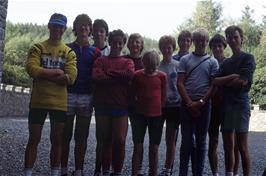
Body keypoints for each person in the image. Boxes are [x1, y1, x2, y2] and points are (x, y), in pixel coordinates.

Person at [24, 13, 77, 176]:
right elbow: (31, 69)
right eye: (55, 25)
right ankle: (27, 173)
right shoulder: (38, 47)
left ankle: (54, 173)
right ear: (49, 26)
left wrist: (43, 73)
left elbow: (71, 77)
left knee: (57, 141)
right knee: (33, 139)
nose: (57, 29)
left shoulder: (69, 52)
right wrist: (56, 72)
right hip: (38, 101)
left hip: (59, 104)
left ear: (64, 29)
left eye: (60, 26)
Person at [60, 14, 101, 176]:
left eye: (86, 25)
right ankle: (63, 169)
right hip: (67, 94)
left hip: (86, 97)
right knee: (65, 135)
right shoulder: (66, 48)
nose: (83, 28)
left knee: (81, 137)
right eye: (80, 25)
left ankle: (78, 170)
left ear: (90, 29)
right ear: (75, 28)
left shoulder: (96, 52)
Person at [213, 25, 256, 176]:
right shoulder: (226, 63)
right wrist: (232, 77)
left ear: (241, 39)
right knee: (227, 146)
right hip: (227, 106)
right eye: (229, 37)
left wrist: (225, 81)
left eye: (235, 37)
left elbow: (243, 82)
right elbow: (215, 81)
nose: (232, 40)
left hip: (241, 105)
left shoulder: (248, 58)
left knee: (242, 146)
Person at [92, 29, 135, 176]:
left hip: (121, 105)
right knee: (105, 140)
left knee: (120, 140)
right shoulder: (100, 60)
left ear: (123, 44)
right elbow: (97, 77)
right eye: (114, 42)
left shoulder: (128, 61)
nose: (117, 45)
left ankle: (117, 172)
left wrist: (108, 73)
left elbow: (129, 75)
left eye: (120, 43)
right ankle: (105, 171)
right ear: (109, 43)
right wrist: (118, 77)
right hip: (102, 105)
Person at [177, 28, 219, 176]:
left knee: (201, 143)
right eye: (198, 40)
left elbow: (214, 85)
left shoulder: (213, 62)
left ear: (207, 42)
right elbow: (180, 83)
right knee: (186, 142)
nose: (201, 42)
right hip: (186, 105)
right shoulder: (184, 60)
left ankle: (198, 173)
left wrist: (200, 102)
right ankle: (182, 172)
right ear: (193, 41)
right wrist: (190, 103)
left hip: (204, 106)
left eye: (204, 40)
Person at [208, 34, 240, 176]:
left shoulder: (231, 62)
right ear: (211, 48)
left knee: (232, 144)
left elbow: (237, 82)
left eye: (220, 46)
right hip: (212, 106)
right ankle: (215, 173)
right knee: (213, 142)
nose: (217, 48)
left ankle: (232, 172)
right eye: (214, 46)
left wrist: (219, 81)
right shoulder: (208, 63)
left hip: (228, 107)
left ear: (224, 46)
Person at [131, 50, 166, 176]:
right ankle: (135, 172)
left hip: (157, 116)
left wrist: (160, 108)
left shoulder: (162, 76)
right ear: (143, 63)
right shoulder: (137, 75)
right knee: (138, 147)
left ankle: (153, 173)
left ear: (157, 64)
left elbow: (163, 96)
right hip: (139, 116)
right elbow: (132, 94)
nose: (150, 69)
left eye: (153, 66)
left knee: (154, 148)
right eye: (148, 65)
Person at [157, 35, 181, 176]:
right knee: (156, 138)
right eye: (164, 47)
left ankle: (167, 168)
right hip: (159, 107)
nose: (167, 49)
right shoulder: (157, 66)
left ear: (173, 48)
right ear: (161, 49)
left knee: (170, 139)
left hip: (175, 107)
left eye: (169, 47)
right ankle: (154, 166)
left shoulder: (178, 65)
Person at [92, 19, 110, 176]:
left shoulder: (112, 52)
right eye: (96, 30)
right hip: (90, 95)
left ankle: (103, 168)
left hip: (106, 99)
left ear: (106, 34)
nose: (99, 34)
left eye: (102, 31)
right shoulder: (89, 50)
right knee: (96, 135)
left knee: (106, 136)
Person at [125, 33, 145, 176]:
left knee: (138, 139)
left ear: (141, 45)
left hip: (139, 105)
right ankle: (114, 169)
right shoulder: (122, 59)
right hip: (121, 102)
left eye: (137, 42)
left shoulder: (146, 61)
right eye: (132, 41)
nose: (135, 44)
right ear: (128, 44)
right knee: (118, 138)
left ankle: (136, 171)